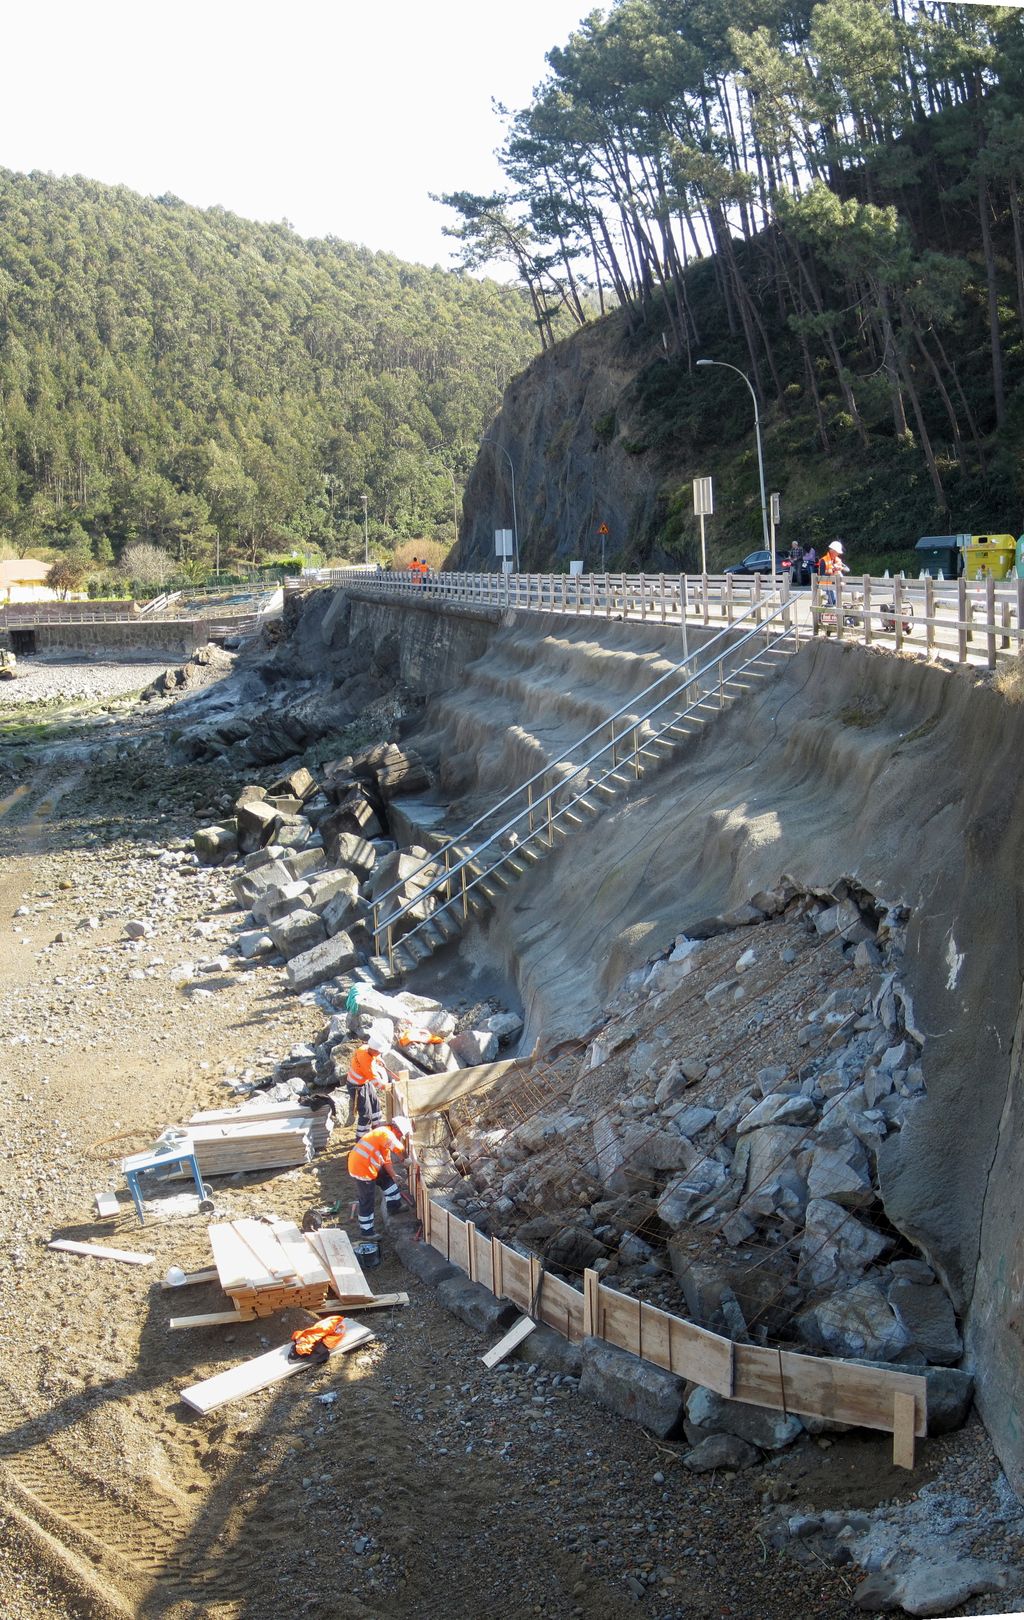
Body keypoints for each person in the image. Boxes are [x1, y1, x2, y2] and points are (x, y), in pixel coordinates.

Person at [347, 1117, 411, 1237]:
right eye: (401, 1134)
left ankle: (394, 1206)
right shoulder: (385, 1133)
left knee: (387, 1179)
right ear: (396, 1129)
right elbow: (399, 1147)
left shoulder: (382, 1136)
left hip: (369, 1164)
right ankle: (367, 1232)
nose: (400, 1137)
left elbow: (386, 1160)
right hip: (362, 1168)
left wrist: (394, 1175)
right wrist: (405, 1158)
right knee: (367, 1199)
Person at [345, 1021, 393, 1137]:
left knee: (375, 1102)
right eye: (379, 1053)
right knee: (365, 1113)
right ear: (375, 1050)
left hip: (364, 1083)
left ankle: (376, 1125)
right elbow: (376, 1082)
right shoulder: (367, 1064)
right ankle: (362, 1137)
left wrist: (378, 1059)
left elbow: (372, 1056)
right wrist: (389, 1087)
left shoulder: (365, 1048)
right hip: (356, 1087)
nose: (379, 1054)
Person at [822, 540, 848, 605]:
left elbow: (847, 569)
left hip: (836, 583)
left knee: (836, 602)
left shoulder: (838, 560)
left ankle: (834, 609)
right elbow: (822, 574)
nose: (838, 554)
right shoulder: (823, 560)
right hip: (826, 583)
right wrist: (833, 570)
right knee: (833, 601)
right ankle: (830, 607)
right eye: (837, 552)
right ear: (832, 550)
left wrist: (840, 568)